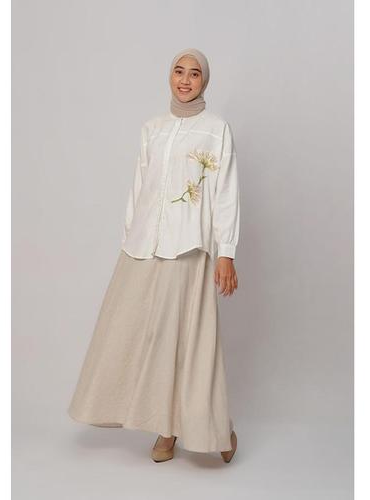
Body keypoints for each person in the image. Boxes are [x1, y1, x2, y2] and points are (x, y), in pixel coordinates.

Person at [68, 48, 240, 463]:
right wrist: (131, 239)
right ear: (170, 77)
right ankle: (166, 428)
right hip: (145, 247)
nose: (185, 80)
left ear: (204, 81)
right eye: (178, 71)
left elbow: (225, 193)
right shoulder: (153, 128)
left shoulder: (216, 130)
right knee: (149, 337)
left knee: (191, 341)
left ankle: (217, 430)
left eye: (194, 73)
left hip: (189, 247)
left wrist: (227, 252)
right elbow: (139, 186)